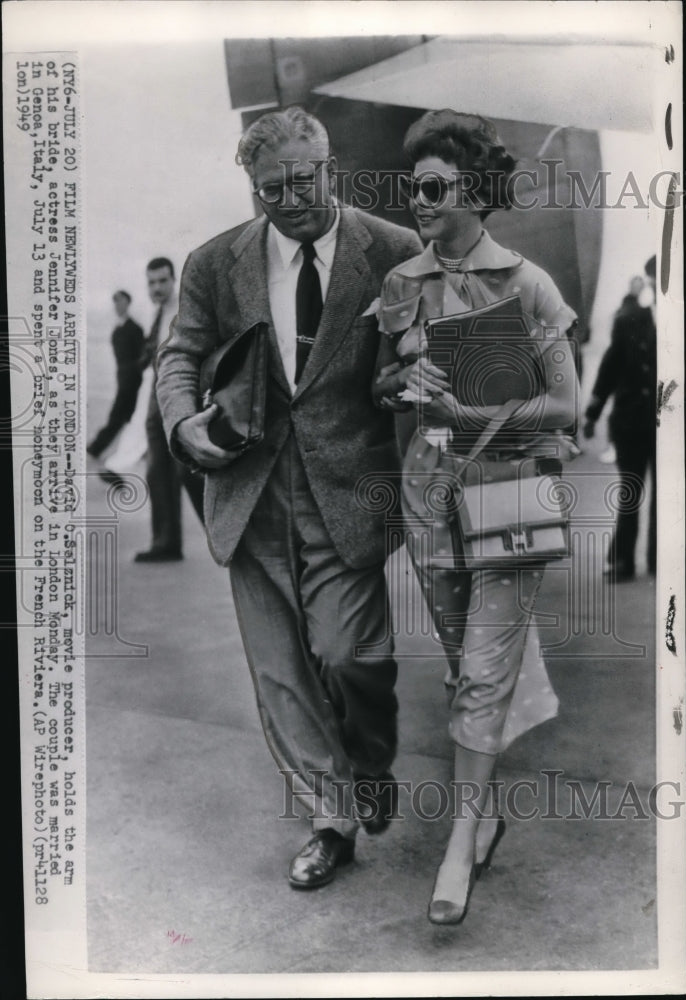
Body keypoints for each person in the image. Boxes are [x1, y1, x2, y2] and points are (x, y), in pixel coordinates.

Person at [155, 107, 422, 888]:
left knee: (348, 654)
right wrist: (181, 424)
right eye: (271, 189)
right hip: (248, 489)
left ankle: (371, 760)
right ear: (252, 187)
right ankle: (329, 820)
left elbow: (422, 349)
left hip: (349, 490)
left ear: (329, 167)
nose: (290, 199)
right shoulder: (213, 265)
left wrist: (410, 379)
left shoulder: (394, 253)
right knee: (279, 672)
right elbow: (181, 357)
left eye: (303, 180)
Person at [373, 110, 579, 925]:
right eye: (410, 186)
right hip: (429, 497)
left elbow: (565, 403)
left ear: (476, 192)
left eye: (432, 186)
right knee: (464, 669)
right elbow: (380, 388)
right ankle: (483, 811)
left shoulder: (528, 284)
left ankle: (459, 844)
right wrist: (405, 383)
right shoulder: (401, 286)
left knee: (488, 674)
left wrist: (472, 415)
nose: (417, 201)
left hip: (510, 491)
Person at [583, 256, 657, 580]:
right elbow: (610, 367)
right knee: (631, 489)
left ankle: (661, 560)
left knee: (668, 494)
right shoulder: (629, 319)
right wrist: (592, 412)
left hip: (668, 425)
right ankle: (621, 560)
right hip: (631, 421)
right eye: (657, 280)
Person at [134, 257, 205, 563]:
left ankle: (228, 537)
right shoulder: (158, 313)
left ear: (173, 280)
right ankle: (166, 541)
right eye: (152, 282)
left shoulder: (183, 309)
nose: (157, 287)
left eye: (163, 281)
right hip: (157, 391)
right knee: (157, 468)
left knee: (189, 467)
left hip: (182, 389)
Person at [87, 290, 144, 458]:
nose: (117, 305)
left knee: (119, 414)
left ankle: (96, 448)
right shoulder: (117, 328)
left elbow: (141, 356)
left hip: (132, 379)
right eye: (115, 302)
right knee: (128, 416)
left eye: (120, 301)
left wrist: (134, 375)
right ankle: (131, 451)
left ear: (128, 303)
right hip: (122, 376)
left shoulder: (135, 328)